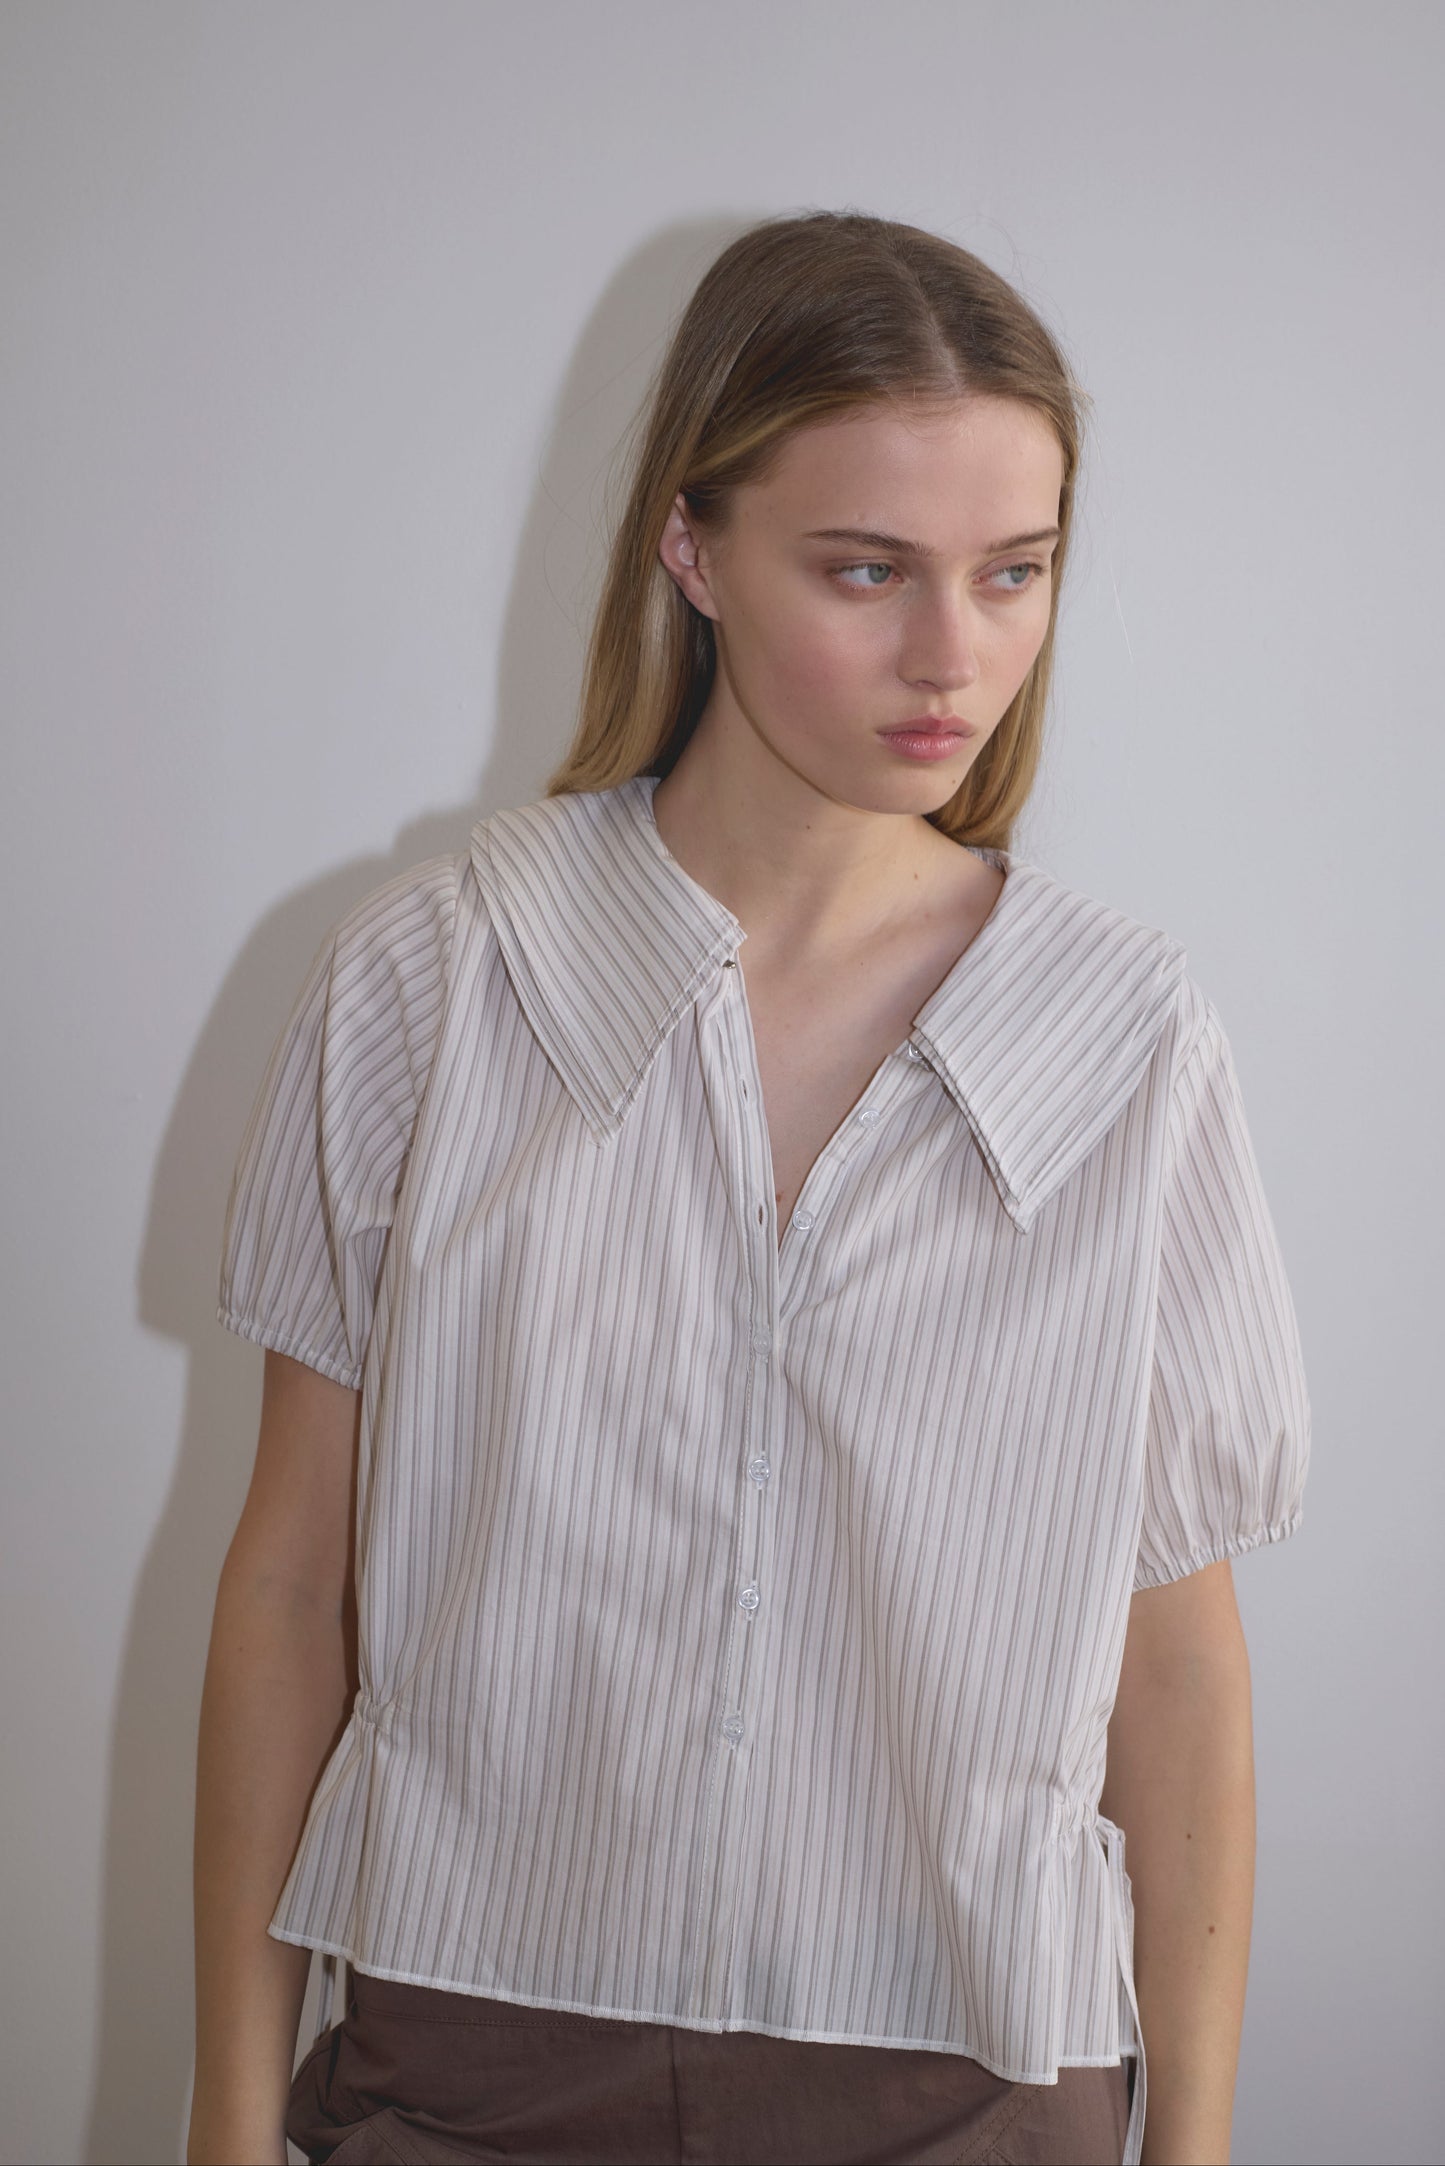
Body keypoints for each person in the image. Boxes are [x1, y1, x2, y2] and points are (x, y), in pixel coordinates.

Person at [188, 210, 1311, 2166]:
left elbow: (1177, 1660)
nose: (952, 655)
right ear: (690, 547)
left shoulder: (1124, 1039)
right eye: (866, 571)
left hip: (974, 2063)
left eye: (1015, 573)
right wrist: (220, 2109)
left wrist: (1197, 2142)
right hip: (476, 2053)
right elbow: (293, 1581)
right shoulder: (439, 979)